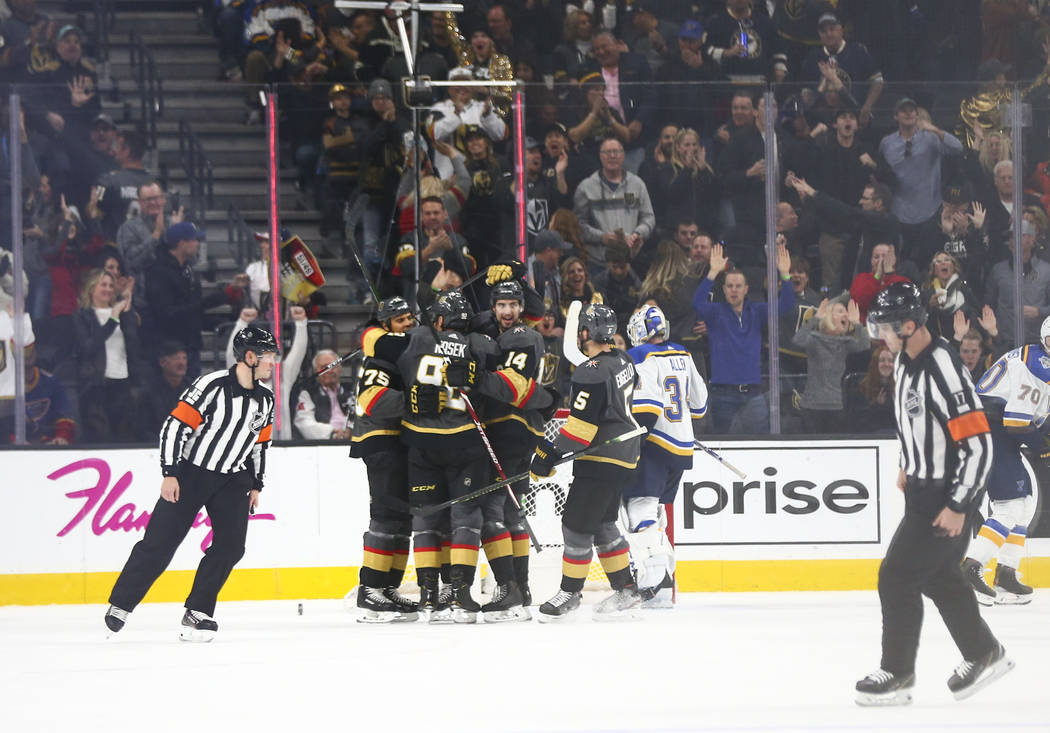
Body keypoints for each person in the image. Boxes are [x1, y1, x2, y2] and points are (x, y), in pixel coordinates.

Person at [856, 282, 1011, 705]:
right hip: (924, 488)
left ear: (910, 325)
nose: (881, 337)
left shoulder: (943, 366)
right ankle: (984, 652)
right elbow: (915, 419)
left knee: (897, 576)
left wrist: (959, 505)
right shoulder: (905, 360)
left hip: (946, 494)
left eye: (887, 327)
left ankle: (897, 673)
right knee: (939, 576)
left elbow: (978, 443)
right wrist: (908, 461)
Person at [104, 325, 279, 642]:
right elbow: (174, 427)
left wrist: (257, 485)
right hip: (191, 474)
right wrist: (170, 472)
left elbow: (259, 446)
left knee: (231, 547)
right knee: (159, 544)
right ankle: (121, 604)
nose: (272, 363)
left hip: (234, 479)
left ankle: (198, 610)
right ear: (250, 357)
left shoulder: (265, 399)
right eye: (268, 357)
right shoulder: (211, 385)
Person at [529, 303, 643, 621]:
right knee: (604, 522)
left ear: (585, 333)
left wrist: (548, 454)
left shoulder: (590, 372)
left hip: (603, 457)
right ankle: (626, 590)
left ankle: (570, 593)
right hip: (625, 454)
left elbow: (580, 431)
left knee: (576, 525)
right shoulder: (623, 359)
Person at [479, 278, 555, 618]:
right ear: (494, 307)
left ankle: (509, 588)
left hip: (513, 432)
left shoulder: (523, 337)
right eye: (501, 305)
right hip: (521, 433)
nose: (507, 311)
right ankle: (521, 589)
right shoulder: (503, 336)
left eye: (513, 305)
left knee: (494, 512)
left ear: (522, 308)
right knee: (514, 513)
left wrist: (476, 375)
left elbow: (513, 387)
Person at [624, 304, 707, 607]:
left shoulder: (639, 356)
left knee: (640, 511)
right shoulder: (684, 354)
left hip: (654, 445)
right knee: (656, 511)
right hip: (682, 446)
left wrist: (632, 433)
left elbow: (645, 407)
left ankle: (651, 582)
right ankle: (660, 592)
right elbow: (700, 406)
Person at [964, 322, 1047, 605]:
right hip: (989, 427)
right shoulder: (1038, 366)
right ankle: (970, 570)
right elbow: (1016, 423)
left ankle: (1006, 575)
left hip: (991, 425)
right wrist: (1044, 447)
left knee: (1024, 504)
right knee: (1009, 506)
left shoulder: (1036, 358)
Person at [350, 296, 419, 623]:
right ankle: (370, 590)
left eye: (410, 318)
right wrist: (417, 401)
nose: (407, 323)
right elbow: (374, 400)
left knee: (402, 517)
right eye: (400, 319)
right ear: (386, 325)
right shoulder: (380, 356)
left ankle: (388, 588)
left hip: (398, 440)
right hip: (380, 439)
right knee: (386, 514)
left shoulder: (403, 353)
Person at [692, 242, 794, 434]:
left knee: (761, 446)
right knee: (722, 445)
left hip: (753, 393)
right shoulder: (716, 313)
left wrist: (785, 274)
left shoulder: (757, 311)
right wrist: (712, 273)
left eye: (738, 286)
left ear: (746, 289)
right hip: (722, 393)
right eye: (729, 286)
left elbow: (786, 305)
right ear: (723, 289)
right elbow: (697, 303)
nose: (734, 290)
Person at [877, 98, 964, 265]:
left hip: (929, 212)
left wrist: (935, 130)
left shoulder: (930, 139)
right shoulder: (886, 143)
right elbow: (881, 172)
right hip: (899, 213)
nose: (908, 113)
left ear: (918, 115)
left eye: (912, 110)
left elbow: (957, 148)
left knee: (928, 263)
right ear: (896, 116)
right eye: (903, 110)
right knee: (900, 262)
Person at [72, 268, 141, 443]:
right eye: (103, 284)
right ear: (92, 288)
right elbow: (88, 348)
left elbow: (133, 343)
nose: (108, 289)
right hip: (96, 387)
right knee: (100, 439)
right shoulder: (82, 316)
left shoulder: (121, 314)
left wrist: (127, 303)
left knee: (125, 438)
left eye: (111, 286)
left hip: (123, 384)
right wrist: (113, 319)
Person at [573, 137, 655, 271]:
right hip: (598, 264)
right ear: (600, 156)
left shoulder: (637, 184)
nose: (612, 156)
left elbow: (649, 218)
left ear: (623, 155)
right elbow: (578, 225)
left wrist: (638, 234)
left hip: (630, 262)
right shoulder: (586, 187)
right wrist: (602, 237)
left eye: (616, 152)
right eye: (607, 152)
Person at [791, 297, 870, 434]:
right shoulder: (815, 340)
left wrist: (857, 323)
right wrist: (816, 318)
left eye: (846, 312)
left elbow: (864, 345)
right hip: (811, 407)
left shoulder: (845, 343)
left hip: (836, 406)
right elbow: (798, 340)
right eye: (840, 311)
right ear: (828, 316)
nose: (846, 314)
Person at [292, 349, 352, 440]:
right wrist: (332, 433)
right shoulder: (307, 394)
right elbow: (304, 422)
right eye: (324, 367)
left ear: (340, 369)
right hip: (325, 444)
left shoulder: (352, 391)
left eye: (334, 366)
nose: (329, 370)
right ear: (316, 371)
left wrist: (351, 430)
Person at [142, 340, 191, 436]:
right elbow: (144, 428)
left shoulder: (194, 389)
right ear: (162, 362)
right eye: (176, 358)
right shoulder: (149, 392)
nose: (181, 363)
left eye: (184, 358)